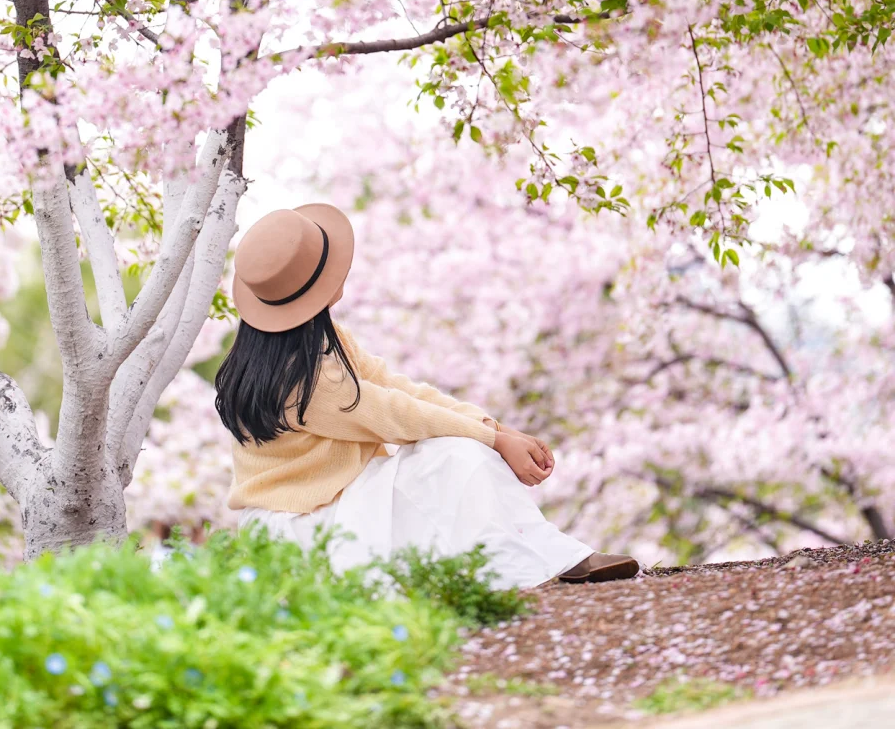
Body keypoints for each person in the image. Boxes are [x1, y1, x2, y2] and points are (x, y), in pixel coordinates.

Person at [214, 203, 639, 588]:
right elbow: (393, 414)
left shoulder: (309, 341)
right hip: (307, 522)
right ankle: (529, 563)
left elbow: (397, 387)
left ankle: (550, 555)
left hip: (336, 494)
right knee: (457, 455)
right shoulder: (300, 381)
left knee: (456, 451)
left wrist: (494, 428)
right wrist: (493, 439)